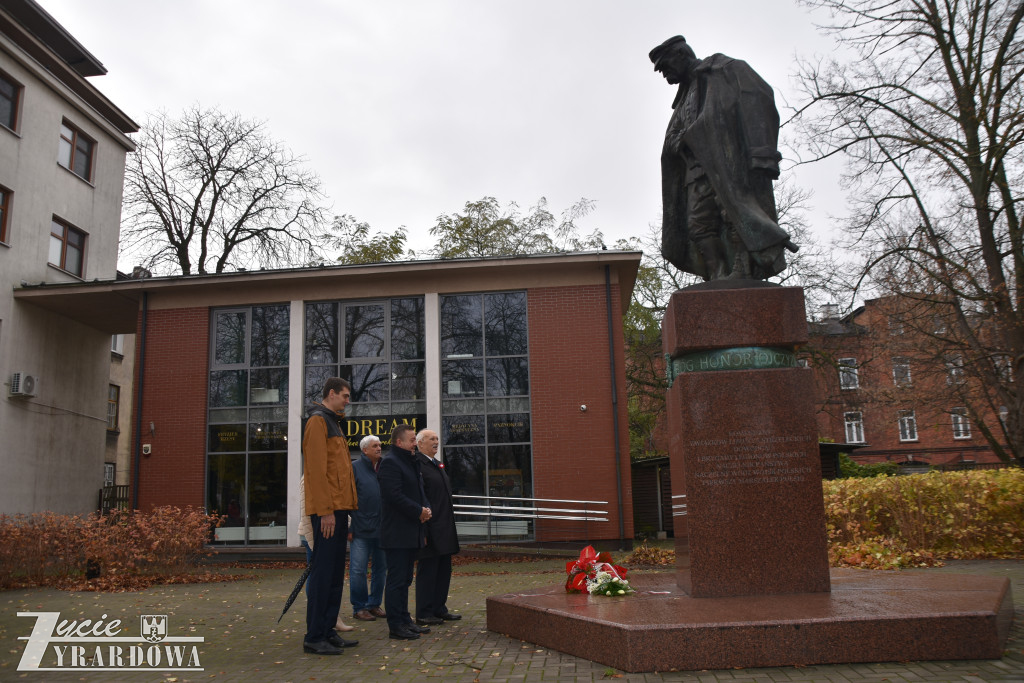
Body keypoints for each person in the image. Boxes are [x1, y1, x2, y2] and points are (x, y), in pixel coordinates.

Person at [650, 35, 797, 282]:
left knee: (734, 215)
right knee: (698, 226)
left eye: (666, 67)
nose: (665, 75)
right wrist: (679, 141)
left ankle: (742, 269)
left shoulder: (723, 70)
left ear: (681, 55)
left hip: (728, 166)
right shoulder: (682, 100)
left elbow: (758, 97)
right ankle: (717, 274)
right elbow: (673, 139)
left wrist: (762, 153)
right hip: (695, 173)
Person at [302, 377, 359, 656]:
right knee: (324, 576)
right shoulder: (317, 421)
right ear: (332, 393)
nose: (348, 401)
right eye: (345, 396)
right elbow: (315, 470)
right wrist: (325, 512)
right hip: (328, 513)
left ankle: (327, 631)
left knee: (335, 576)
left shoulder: (333, 421)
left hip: (339, 511)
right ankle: (314, 636)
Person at [377, 423, 432, 640]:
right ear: (399, 442)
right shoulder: (390, 463)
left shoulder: (411, 462)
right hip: (397, 533)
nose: (415, 444)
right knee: (397, 580)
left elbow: (419, 491)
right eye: (411, 440)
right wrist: (418, 510)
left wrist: (425, 509)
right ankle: (396, 625)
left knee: (406, 579)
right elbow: (393, 495)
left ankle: (405, 619)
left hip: (411, 531)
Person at [414, 429, 461, 625]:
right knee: (428, 571)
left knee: (443, 570)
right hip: (430, 528)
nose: (436, 442)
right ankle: (424, 612)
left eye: (437, 439)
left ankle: (439, 608)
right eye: (431, 439)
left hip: (445, 528)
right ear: (420, 443)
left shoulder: (436, 464)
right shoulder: (418, 464)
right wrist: (424, 529)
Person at [297, 476, 355, 633]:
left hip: (326, 530)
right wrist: (312, 539)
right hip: (315, 532)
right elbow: (306, 510)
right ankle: (319, 618)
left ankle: (329, 618)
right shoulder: (310, 478)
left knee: (328, 577)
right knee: (318, 577)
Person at [349, 435, 387, 622]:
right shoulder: (354, 468)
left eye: (380, 445)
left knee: (381, 569)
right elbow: (348, 498)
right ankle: (359, 607)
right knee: (358, 570)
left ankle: (374, 604)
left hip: (383, 529)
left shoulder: (385, 467)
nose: (379, 448)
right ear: (365, 450)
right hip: (361, 529)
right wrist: (350, 526)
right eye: (375, 446)